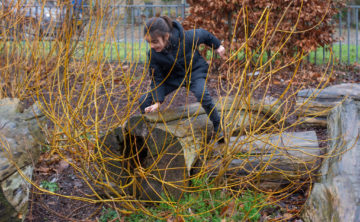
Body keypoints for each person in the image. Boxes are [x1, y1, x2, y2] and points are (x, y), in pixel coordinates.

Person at [139, 16, 226, 142]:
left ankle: (218, 126)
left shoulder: (187, 38)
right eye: (149, 43)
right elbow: (156, 78)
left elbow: (204, 34)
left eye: (155, 41)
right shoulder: (153, 55)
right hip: (173, 78)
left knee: (202, 94)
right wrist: (157, 101)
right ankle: (148, 134)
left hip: (194, 72)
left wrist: (217, 46)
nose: (152, 46)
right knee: (144, 101)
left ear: (166, 36)